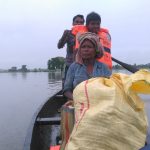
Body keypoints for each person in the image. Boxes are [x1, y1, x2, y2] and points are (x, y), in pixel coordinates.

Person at [63, 32, 111, 100]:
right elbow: (66, 90)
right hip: (79, 103)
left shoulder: (104, 68)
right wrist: (77, 99)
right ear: (80, 50)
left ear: (96, 50)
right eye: (83, 47)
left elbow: (110, 88)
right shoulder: (73, 67)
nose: (86, 50)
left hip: (99, 101)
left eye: (89, 47)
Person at [57, 14, 85, 79]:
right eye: (77, 22)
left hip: (82, 65)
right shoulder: (68, 33)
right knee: (66, 85)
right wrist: (64, 36)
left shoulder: (85, 34)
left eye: (81, 22)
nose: (79, 24)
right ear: (73, 23)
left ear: (83, 24)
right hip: (69, 64)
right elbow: (59, 46)